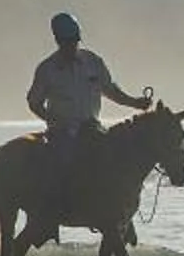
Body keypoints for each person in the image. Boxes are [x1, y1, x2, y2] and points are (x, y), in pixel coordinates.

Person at [26, 12, 150, 239]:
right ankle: (48, 218)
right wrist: (50, 118)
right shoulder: (47, 69)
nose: (72, 45)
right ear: (58, 41)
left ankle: (121, 215)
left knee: (117, 161)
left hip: (91, 127)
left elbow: (111, 90)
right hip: (62, 132)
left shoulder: (93, 62)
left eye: (75, 40)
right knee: (61, 167)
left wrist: (135, 103)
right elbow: (33, 102)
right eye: (67, 42)